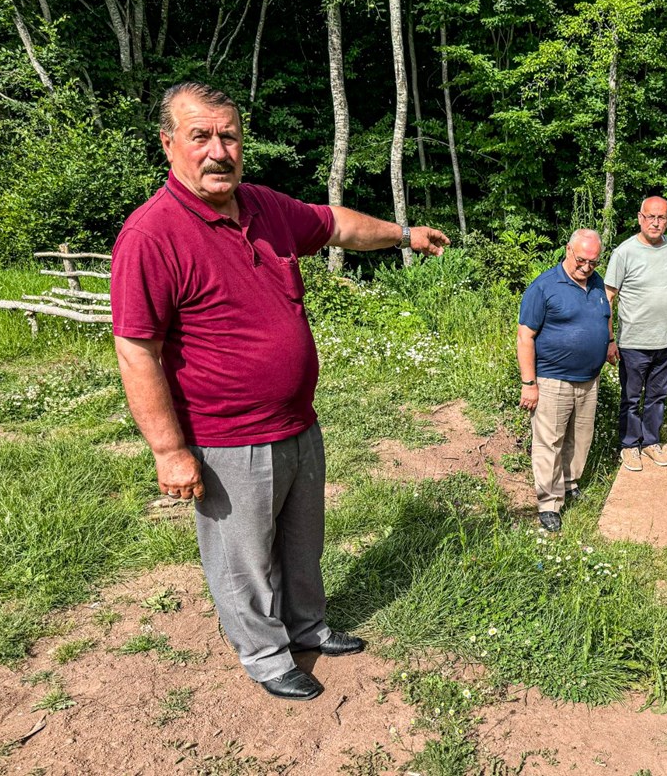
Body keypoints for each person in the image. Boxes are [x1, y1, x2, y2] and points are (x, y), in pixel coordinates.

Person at [110, 82, 450, 701]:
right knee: (242, 556)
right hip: (226, 436)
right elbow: (137, 348)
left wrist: (404, 235)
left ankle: (307, 626)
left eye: (229, 136)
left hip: (297, 422)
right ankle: (265, 654)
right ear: (169, 146)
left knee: (301, 541)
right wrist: (168, 449)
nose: (219, 151)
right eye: (200, 137)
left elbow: (337, 224)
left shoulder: (263, 206)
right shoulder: (151, 235)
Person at [517, 229, 616, 532]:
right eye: (582, 260)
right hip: (552, 379)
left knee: (580, 437)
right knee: (550, 442)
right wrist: (529, 383)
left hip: (588, 379)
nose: (587, 267)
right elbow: (525, 337)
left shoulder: (597, 283)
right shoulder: (544, 287)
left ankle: (570, 483)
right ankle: (549, 503)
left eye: (594, 262)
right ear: (567, 250)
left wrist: (610, 340)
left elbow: (605, 313)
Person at [605, 196, 667, 472]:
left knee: (658, 395)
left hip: (666, 340)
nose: (656, 222)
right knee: (631, 397)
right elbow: (608, 297)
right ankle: (630, 446)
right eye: (651, 217)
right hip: (633, 343)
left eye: (662, 218)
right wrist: (609, 339)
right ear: (640, 218)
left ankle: (651, 442)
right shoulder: (624, 252)